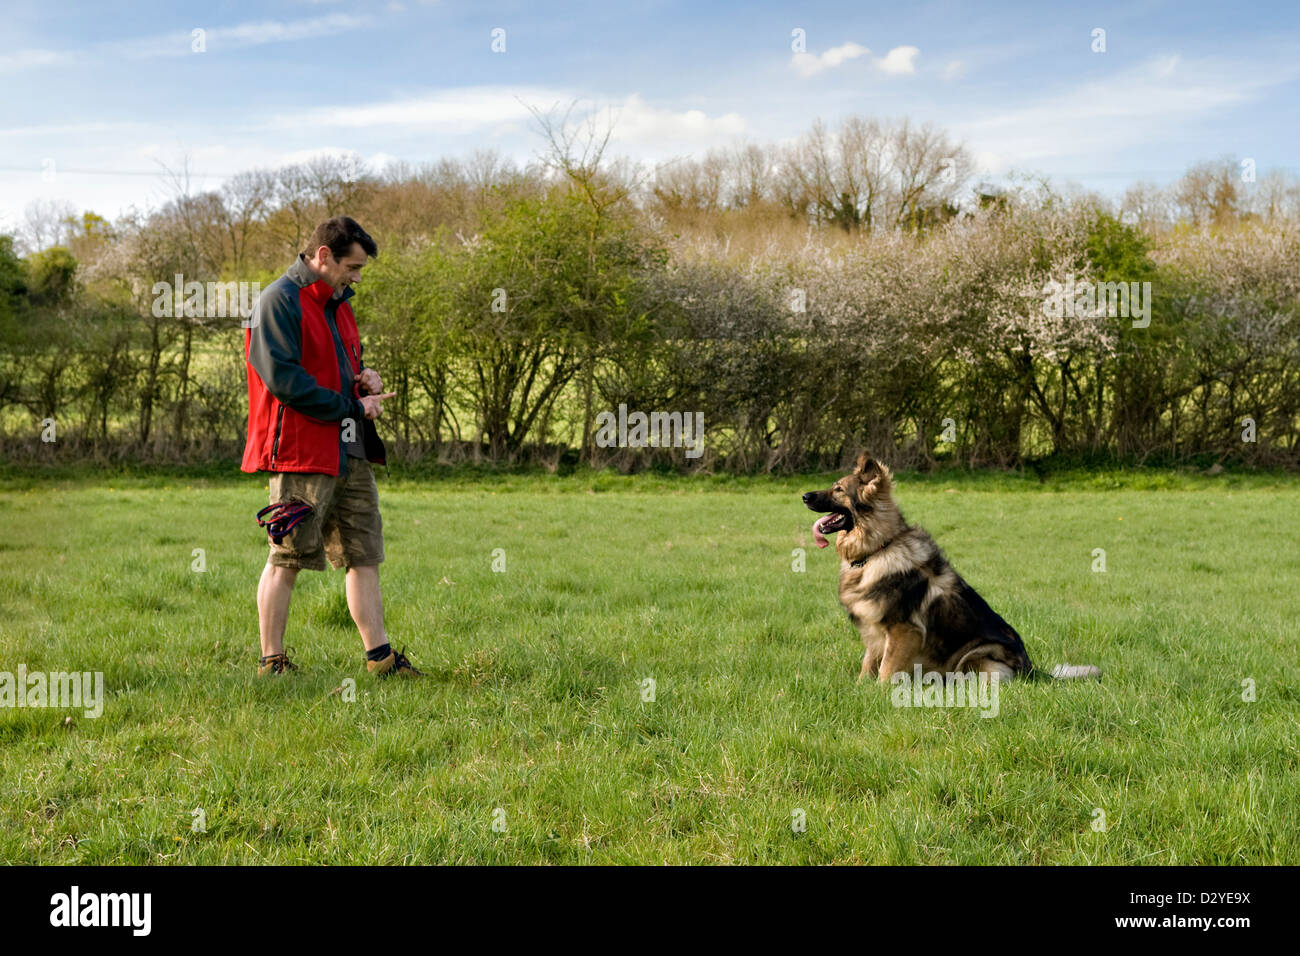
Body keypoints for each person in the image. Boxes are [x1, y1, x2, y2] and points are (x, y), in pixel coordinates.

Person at [241, 216, 420, 679]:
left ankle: (380, 659)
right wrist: (354, 407)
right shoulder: (276, 302)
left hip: (350, 452)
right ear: (324, 256)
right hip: (302, 455)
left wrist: (365, 378)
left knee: (364, 555)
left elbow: (338, 367)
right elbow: (287, 383)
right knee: (287, 558)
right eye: (353, 267)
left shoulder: (338, 302)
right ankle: (271, 662)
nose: (357, 277)